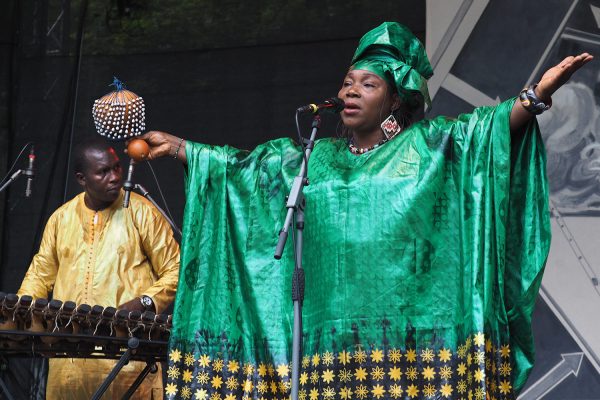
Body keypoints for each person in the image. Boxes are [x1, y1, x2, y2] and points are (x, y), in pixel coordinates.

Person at [138, 23, 592, 400]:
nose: (351, 92)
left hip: (409, 352)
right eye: (347, 83)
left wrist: (535, 97)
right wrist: (182, 149)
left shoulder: (428, 147)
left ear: (395, 99)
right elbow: (246, 172)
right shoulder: (314, 157)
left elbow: (483, 132)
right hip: (325, 355)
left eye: (368, 84)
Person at [18, 138, 180, 399]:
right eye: (103, 172)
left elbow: (176, 268)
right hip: (67, 366)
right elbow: (39, 274)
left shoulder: (142, 213)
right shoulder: (61, 218)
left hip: (127, 363)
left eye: (116, 168)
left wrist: (146, 301)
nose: (115, 177)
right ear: (82, 179)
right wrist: (25, 317)